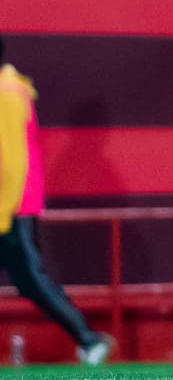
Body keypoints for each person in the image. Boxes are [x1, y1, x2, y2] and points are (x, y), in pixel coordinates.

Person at [0, 35, 113, 365]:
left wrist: (4, 213)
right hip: (14, 205)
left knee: (32, 279)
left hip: (10, 208)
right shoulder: (11, 90)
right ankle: (89, 340)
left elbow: (12, 161)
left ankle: (89, 340)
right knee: (30, 280)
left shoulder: (6, 95)